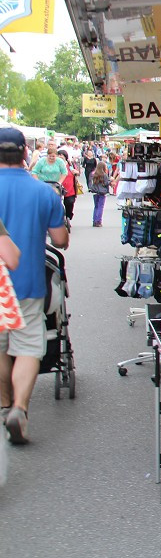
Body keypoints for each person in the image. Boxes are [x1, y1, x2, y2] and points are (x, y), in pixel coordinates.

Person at [0, 127, 69, 444]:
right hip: (27, 282)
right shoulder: (44, 192)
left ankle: (4, 405)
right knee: (27, 346)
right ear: (26, 154)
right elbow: (59, 240)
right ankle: (19, 408)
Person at [56, 150, 78, 222]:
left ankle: (68, 216)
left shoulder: (70, 165)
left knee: (69, 203)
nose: (60, 156)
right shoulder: (55, 165)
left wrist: (75, 172)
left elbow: (77, 172)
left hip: (70, 188)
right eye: (58, 155)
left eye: (61, 155)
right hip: (57, 187)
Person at [88, 160, 110, 227]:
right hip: (102, 192)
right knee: (101, 207)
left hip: (95, 192)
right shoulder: (104, 175)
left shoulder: (93, 174)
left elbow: (90, 183)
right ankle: (98, 221)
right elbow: (106, 183)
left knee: (96, 206)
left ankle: (94, 220)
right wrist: (110, 181)